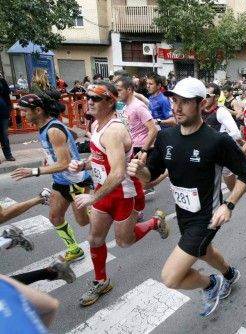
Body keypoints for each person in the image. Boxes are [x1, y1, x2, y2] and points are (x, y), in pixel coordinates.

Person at [127, 77, 246, 317]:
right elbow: (149, 176)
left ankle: (211, 284)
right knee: (205, 251)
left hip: (208, 216)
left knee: (171, 277)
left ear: (201, 104)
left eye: (185, 102)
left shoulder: (217, 141)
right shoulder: (166, 138)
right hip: (184, 213)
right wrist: (139, 170)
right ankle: (229, 274)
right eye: (174, 101)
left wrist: (228, 205)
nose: (176, 107)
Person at [68, 82, 169, 306]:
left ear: (110, 101)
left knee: (124, 241)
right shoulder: (96, 126)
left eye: (96, 98)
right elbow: (98, 157)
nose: (90, 101)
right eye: (88, 97)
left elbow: (119, 172)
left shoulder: (114, 131)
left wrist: (93, 197)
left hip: (122, 193)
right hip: (104, 192)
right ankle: (101, 281)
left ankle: (155, 222)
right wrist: (83, 165)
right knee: (94, 239)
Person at [11, 92, 93, 262]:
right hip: (60, 182)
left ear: (38, 110)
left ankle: (105, 210)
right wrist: (50, 156)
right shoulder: (49, 127)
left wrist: (34, 171)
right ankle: (74, 249)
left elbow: (64, 163)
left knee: (83, 221)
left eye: (25, 111)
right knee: (55, 217)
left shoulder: (53, 130)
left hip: (75, 181)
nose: (23, 116)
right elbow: (73, 135)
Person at [203, 83, 243, 192]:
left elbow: (236, 133)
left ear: (216, 97)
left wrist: (216, 139)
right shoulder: (199, 110)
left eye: (207, 95)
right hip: (209, 154)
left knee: (232, 189)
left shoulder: (221, 112)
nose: (204, 98)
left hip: (224, 153)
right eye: (203, 95)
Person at [0, 72, 15, 163]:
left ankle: (8, 155)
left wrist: (9, 108)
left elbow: (7, 94)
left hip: (3, 111)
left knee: (4, 135)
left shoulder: (1, 80)